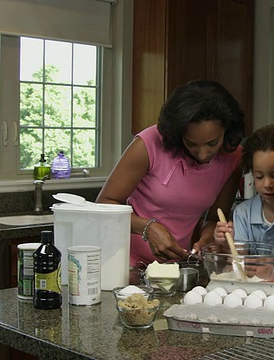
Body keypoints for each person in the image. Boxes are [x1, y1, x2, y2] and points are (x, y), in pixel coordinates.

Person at [96, 80, 245, 267]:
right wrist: (148, 228)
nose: (202, 154)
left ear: (227, 129)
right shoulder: (148, 144)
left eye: (212, 143)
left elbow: (216, 218)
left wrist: (207, 240)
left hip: (175, 268)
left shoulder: (234, 156)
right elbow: (103, 206)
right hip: (124, 263)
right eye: (191, 143)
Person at [214, 125, 274, 272]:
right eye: (259, 176)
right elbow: (239, 260)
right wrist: (225, 245)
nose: (267, 184)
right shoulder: (243, 213)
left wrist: (271, 269)